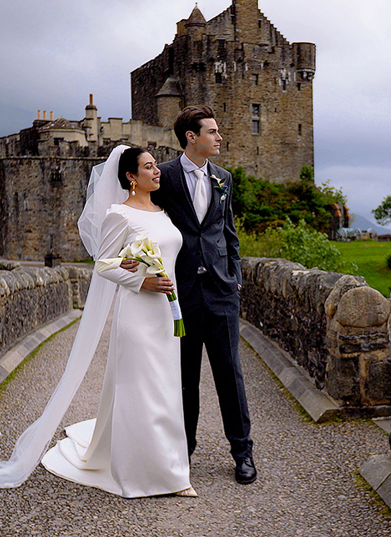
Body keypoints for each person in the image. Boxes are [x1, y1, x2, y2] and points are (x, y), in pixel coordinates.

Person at [0, 145, 195, 498]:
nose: (158, 172)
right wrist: (142, 281)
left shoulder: (161, 211)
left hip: (167, 314)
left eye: (156, 166)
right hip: (138, 312)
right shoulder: (119, 215)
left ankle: (169, 469)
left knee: (167, 388)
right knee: (143, 389)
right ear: (130, 176)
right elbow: (104, 264)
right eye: (149, 167)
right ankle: (148, 476)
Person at [152, 105, 257, 484]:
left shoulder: (224, 178)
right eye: (212, 132)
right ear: (191, 138)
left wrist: (236, 276)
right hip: (180, 294)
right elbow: (145, 225)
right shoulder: (162, 175)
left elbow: (228, 233)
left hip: (222, 291)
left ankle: (242, 452)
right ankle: (184, 450)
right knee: (184, 377)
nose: (219, 137)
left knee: (230, 373)